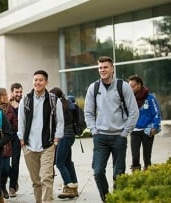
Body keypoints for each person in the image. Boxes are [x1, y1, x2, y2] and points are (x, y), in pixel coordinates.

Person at [84, 56, 139, 202]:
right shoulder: (93, 88)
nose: (102, 70)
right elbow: (88, 112)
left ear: (112, 68)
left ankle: (118, 200)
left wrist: (125, 132)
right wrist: (94, 131)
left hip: (119, 137)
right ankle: (107, 199)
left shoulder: (123, 86)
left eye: (105, 67)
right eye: (100, 68)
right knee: (98, 172)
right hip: (100, 137)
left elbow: (134, 111)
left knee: (118, 174)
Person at [17, 70, 64, 203]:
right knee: (36, 181)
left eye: (41, 80)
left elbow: (60, 121)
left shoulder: (54, 100)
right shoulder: (25, 100)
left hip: (48, 145)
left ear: (46, 82)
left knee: (46, 178)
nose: (37, 82)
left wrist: (56, 140)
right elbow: (21, 122)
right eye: (35, 80)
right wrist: (22, 142)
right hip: (29, 146)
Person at [49, 87, 79, 199]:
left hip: (64, 137)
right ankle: (74, 185)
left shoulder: (60, 106)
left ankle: (69, 186)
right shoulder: (68, 104)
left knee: (60, 162)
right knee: (67, 161)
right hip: (70, 136)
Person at [128, 75, 161, 171]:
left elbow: (156, 113)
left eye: (133, 86)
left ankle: (147, 175)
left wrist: (155, 126)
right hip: (134, 131)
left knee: (147, 157)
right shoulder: (129, 99)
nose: (131, 88)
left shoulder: (150, 98)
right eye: (129, 86)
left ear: (139, 85)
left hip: (148, 130)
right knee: (135, 157)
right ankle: (136, 177)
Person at [0, 87, 17, 199]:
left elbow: (15, 124)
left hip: (6, 143)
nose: (6, 97)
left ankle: (3, 186)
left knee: (6, 168)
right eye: (4, 95)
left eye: (6, 94)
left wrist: (8, 132)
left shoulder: (9, 108)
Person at [8, 82, 23, 197]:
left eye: (20, 92)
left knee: (15, 162)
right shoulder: (6, 104)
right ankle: (12, 177)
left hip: (18, 137)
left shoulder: (23, 103)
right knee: (4, 164)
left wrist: (17, 107)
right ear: (12, 92)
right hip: (6, 137)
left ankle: (12, 187)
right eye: (17, 92)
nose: (19, 94)